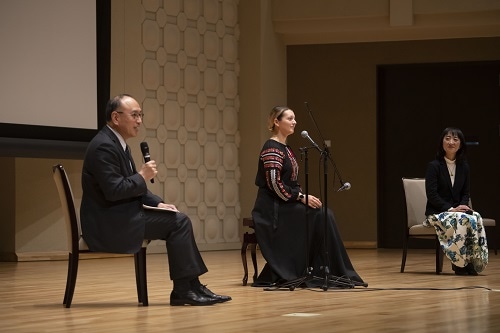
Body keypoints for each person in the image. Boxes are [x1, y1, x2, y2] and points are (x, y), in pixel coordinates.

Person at [80, 94, 231, 305]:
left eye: (140, 115)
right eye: (134, 115)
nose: (139, 120)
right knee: (179, 223)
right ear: (116, 117)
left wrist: (158, 203)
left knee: (177, 218)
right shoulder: (104, 146)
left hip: (120, 216)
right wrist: (142, 176)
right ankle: (183, 290)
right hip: (109, 223)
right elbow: (114, 190)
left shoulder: (117, 143)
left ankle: (192, 287)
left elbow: (135, 189)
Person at [251, 106, 365, 288]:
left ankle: (329, 271)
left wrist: (301, 196)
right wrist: (300, 197)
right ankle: (310, 269)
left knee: (324, 213)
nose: (294, 121)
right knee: (321, 214)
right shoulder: (271, 147)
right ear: (276, 122)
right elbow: (274, 183)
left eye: (294, 118)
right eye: (290, 118)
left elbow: (291, 182)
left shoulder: (286, 149)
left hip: (286, 203)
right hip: (272, 208)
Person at [424, 127, 488, 275]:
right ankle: (458, 263)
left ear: (460, 144)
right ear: (442, 142)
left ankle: (472, 261)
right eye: (447, 138)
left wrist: (463, 206)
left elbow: (466, 193)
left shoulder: (464, 167)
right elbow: (432, 195)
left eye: (455, 139)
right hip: (437, 213)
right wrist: (451, 209)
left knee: (475, 217)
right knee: (461, 219)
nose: (451, 142)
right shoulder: (433, 166)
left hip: (458, 212)